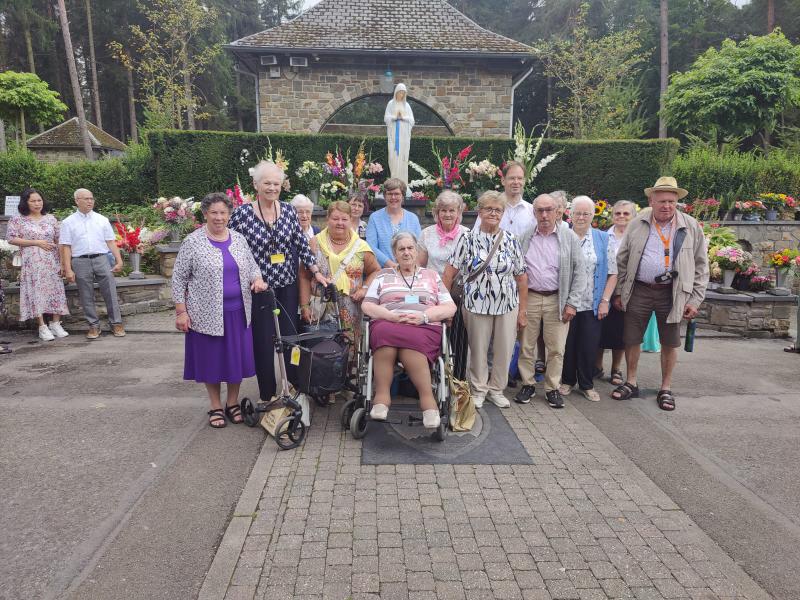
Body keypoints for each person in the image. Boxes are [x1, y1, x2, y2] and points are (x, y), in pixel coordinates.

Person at [229, 161, 329, 404]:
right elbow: (233, 249)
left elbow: (301, 245)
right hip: (260, 289)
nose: (272, 187)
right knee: (263, 342)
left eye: (276, 183)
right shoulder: (242, 214)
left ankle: (293, 383)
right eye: (267, 183)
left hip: (287, 285)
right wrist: (251, 276)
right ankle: (267, 393)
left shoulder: (287, 211)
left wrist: (316, 271)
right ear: (256, 185)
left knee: (290, 338)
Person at [611, 177, 709, 410]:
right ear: (651, 201)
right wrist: (619, 292)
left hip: (673, 293)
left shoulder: (690, 226)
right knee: (632, 338)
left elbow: (701, 266)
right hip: (640, 289)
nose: (667, 205)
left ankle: (665, 388)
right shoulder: (637, 223)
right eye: (662, 200)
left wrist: (695, 299)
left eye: (671, 201)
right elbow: (622, 260)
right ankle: (631, 382)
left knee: (669, 341)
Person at [172, 193, 267, 428]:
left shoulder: (238, 239)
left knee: (235, 362)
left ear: (229, 214)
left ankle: (232, 403)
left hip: (238, 313)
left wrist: (257, 279)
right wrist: (181, 312)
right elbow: (178, 279)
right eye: (213, 212)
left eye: (223, 212)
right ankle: (215, 406)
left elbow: (253, 266)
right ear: (205, 214)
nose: (219, 217)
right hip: (205, 315)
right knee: (212, 363)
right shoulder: (193, 242)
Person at [362, 232, 456, 428]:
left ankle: (429, 403)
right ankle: (382, 399)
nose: (406, 252)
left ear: (416, 250)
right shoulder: (383, 275)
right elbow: (368, 306)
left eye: (410, 248)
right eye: (401, 249)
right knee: (384, 339)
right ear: (395, 254)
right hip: (389, 323)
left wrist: (424, 316)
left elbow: (450, 307)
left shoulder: (431, 276)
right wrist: (390, 316)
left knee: (412, 343)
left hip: (422, 326)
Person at [443, 191, 526, 409]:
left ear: (503, 213)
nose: (493, 213)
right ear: (479, 212)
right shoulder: (467, 238)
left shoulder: (511, 240)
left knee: (504, 349)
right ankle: (479, 389)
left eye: (498, 210)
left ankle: (497, 390)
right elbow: (449, 273)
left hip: (507, 304)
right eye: (488, 209)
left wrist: (523, 310)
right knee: (478, 349)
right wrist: (446, 306)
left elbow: (522, 276)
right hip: (475, 304)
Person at [514, 193, 586, 408]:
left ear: (558, 212)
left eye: (549, 210)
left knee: (556, 349)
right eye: (540, 210)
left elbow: (580, 272)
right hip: (531, 298)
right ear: (534, 213)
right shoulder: (525, 236)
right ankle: (527, 384)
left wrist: (572, 303)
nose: (544, 215)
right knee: (526, 346)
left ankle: (552, 388)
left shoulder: (569, 237)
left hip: (558, 299)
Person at [558, 196, 617, 402]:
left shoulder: (602, 238)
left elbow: (612, 272)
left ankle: (586, 384)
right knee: (567, 343)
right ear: (570, 214)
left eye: (586, 213)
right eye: (577, 213)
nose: (581, 217)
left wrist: (605, 300)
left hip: (592, 302)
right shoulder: (562, 236)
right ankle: (566, 381)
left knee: (589, 344)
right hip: (566, 302)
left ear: (593, 215)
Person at [299, 201, 379, 339]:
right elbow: (304, 276)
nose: (340, 223)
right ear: (327, 219)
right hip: (320, 308)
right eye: (335, 219)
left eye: (344, 219)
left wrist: (365, 288)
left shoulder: (361, 246)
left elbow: (376, 271)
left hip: (351, 308)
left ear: (350, 220)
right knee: (321, 351)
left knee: (349, 350)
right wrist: (305, 305)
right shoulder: (314, 243)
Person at [59, 188, 125, 340]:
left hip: (101, 258)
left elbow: (110, 241)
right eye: (86, 198)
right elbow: (66, 247)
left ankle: (116, 323)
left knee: (110, 291)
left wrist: (119, 260)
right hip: (80, 261)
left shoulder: (101, 219)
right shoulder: (68, 222)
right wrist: (68, 269)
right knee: (85, 294)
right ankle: (93, 325)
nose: (90, 201)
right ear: (77, 201)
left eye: (91, 198)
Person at [6, 188, 70, 341]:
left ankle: (55, 323)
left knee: (56, 290)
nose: (37, 203)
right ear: (26, 203)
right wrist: (36, 242)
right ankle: (42, 326)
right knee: (36, 292)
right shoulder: (17, 219)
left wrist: (63, 263)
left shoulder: (51, 219)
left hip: (51, 261)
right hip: (32, 263)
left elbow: (59, 241)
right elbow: (11, 238)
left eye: (39, 200)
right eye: (33, 201)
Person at [596, 200, 637, 384]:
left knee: (620, 332)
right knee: (600, 329)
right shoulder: (604, 236)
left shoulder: (636, 238)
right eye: (618, 213)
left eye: (626, 214)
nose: (621, 216)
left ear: (633, 217)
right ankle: (596, 367)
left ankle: (616, 369)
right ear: (612, 216)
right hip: (603, 288)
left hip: (625, 291)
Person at [366, 178, 421, 268]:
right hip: (383, 270)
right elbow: (371, 246)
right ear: (384, 196)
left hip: (409, 270)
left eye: (397, 194)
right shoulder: (375, 218)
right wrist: (391, 265)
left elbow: (418, 246)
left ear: (403, 196)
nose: (393, 197)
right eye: (390, 194)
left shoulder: (413, 218)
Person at [473, 161, 535, 239]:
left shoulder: (532, 211)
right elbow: (476, 235)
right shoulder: (489, 208)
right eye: (512, 178)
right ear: (503, 180)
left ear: (524, 181)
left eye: (519, 178)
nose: (516, 182)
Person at [384, 83, 414, 184]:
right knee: (393, 157)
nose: (401, 95)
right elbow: (386, 118)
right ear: (396, 92)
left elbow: (412, 120)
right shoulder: (391, 104)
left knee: (403, 159)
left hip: (404, 138)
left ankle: (403, 183)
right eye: (400, 92)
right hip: (393, 136)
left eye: (403, 93)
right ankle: (394, 181)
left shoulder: (407, 106)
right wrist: (394, 117)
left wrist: (403, 118)